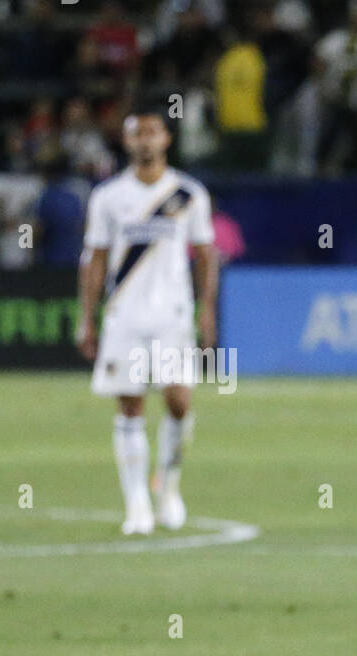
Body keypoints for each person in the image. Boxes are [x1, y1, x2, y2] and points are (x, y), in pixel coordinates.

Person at [76, 106, 218, 535]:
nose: (145, 141)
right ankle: (136, 503)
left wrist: (206, 307)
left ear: (166, 140)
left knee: (178, 400)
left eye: (152, 132)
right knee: (130, 403)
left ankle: (168, 486)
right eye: (136, 134)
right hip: (125, 316)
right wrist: (88, 318)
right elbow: (95, 258)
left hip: (172, 315)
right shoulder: (108, 198)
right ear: (126, 142)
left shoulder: (189, 195)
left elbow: (206, 254)